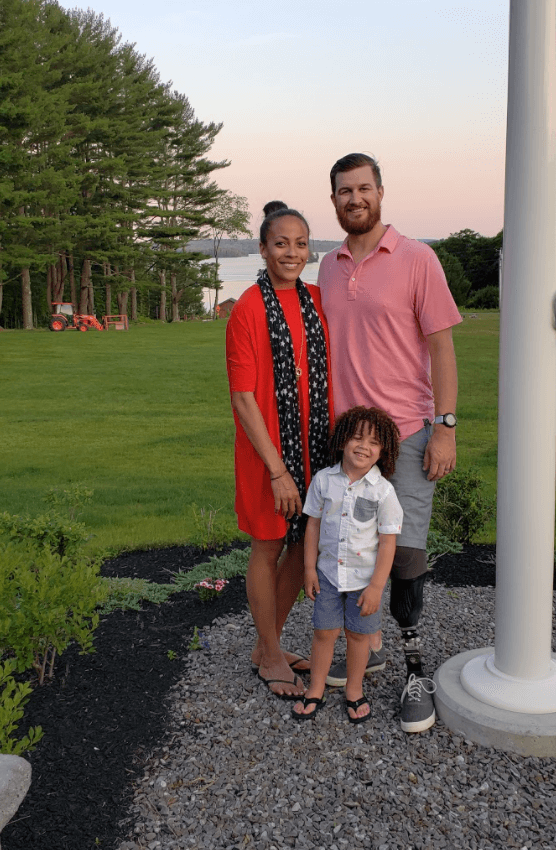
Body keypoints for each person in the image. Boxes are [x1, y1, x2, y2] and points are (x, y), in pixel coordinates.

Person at [318, 153, 462, 733]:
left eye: (363, 188)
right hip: (347, 442)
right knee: (350, 549)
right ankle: (368, 644)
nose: (354, 198)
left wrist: (446, 427)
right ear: (333, 201)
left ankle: (415, 671)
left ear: (381, 192)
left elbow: (442, 349)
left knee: (401, 555)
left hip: (405, 434)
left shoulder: (416, 258)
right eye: (343, 191)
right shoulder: (327, 265)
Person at [226, 204, 333, 700]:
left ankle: (266, 644)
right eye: (281, 243)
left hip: (314, 444)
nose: (291, 252)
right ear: (264, 248)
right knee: (269, 544)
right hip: (266, 452)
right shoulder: (248, 308)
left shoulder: (316, 299)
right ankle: (269, 652)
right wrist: (277, 471)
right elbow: (244, 397)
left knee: (301, 542)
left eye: (300, 243)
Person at [292, 406, 403, 724]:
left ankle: (354, 690)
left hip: (364, 582)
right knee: (323, 633)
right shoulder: (325, 481)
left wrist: (376, 587)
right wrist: (309, 569)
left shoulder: (383, 492)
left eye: (373, 442)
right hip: (326, 575)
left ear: (383, 451)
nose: (363, 446)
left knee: (357, 637)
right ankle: (315, 689)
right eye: (356, 437)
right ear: (342, 441)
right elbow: (312, 526)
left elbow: (387, 542)